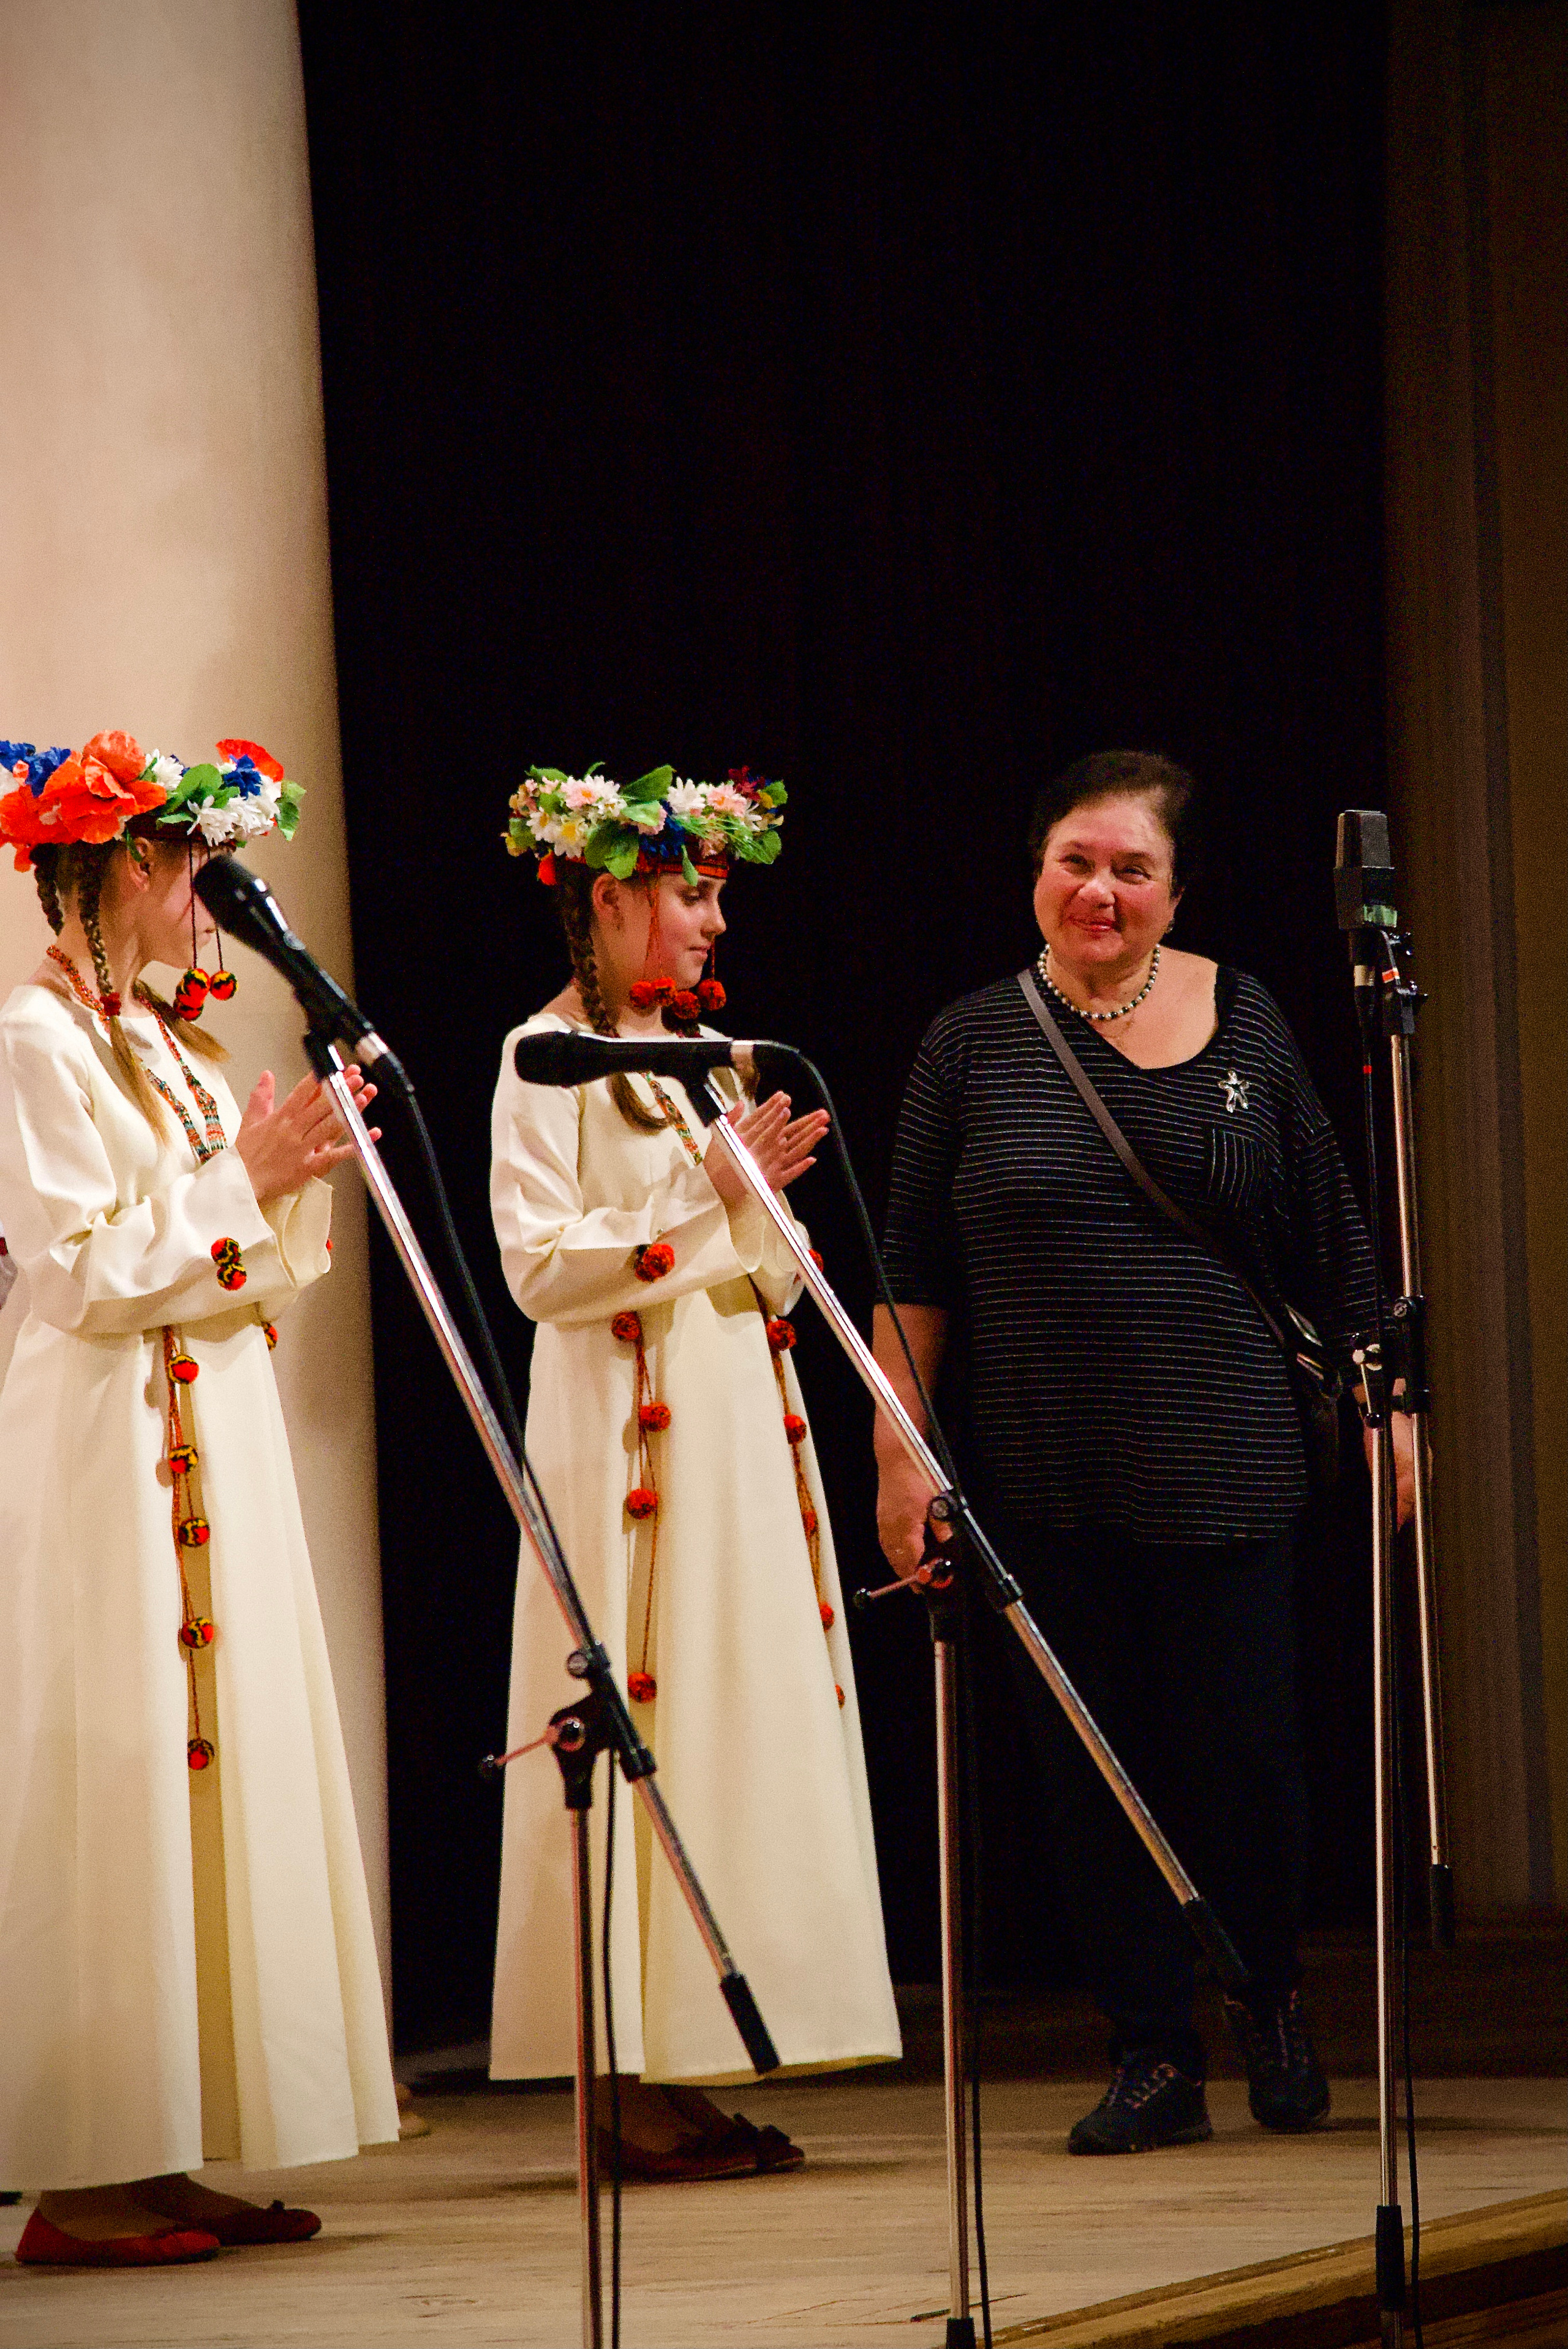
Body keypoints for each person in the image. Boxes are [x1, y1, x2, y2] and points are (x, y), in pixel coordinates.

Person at [874, 750, 1414, 2155]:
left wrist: (1386, 1404)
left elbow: (1330, 1230)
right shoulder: (969, 1042)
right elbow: (910, 1273)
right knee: (1090, 1777)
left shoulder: (1244, 1020)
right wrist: (897, 1456)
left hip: (1227, 1455)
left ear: (1173, 890)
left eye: (1129, 868)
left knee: (1245, 1767)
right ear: (1035, 873)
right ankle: (1148, 2054)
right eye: (1074, 862)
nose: (1098, 891)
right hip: (1045, 1469)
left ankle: (1270, 2004)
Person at [0, 731, 398, 2264]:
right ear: (118, 869)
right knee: (116, 1785)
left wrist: (292, 1171)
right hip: (103, 1446)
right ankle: (80, 2170)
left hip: (207, 1428)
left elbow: (232, 1255)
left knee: (202, 1779)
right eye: (188, 873)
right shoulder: (35, 1038)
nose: (207, 904)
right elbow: (84, 1271)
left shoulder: (169, 1040)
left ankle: (161, 2145)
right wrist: (247, 1176)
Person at [489, 763, 900, 2178]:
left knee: (725, 1719)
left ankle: (683, 2059)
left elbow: (766, 1275)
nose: (714, 921)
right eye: (691, 891)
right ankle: (614, 2084)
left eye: (719, 893)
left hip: (728, 1419)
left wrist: (761, 1207)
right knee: (641, 1702)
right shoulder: (539, 1055)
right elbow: (541, 1266)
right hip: (625, 1433)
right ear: (607, 901)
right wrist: (710, 1201)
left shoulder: (698, 1064)